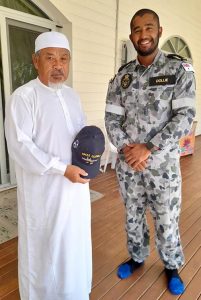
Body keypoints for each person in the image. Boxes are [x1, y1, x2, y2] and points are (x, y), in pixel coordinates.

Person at [105, 8, 196, 295]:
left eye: (148, 28)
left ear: (158, 30)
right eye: (137, 30)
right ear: (132, 36)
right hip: (129, 165)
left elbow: (184, 118)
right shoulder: (123, 77)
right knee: (132, 215)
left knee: (166, 219)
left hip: (162, 166)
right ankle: (137, 257)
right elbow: (111, 118)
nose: (142, 35)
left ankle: (171, 266)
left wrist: (148, 148)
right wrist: (127, 149)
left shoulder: (178, 70)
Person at [5, 31, 92, 300]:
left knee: (73, 243)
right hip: (44, 191)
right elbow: (21, 146)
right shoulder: (24, 97)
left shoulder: (72, 96)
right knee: (44, 246)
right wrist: (60, 168)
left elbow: (83, 137)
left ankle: (74, 292)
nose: (58, 65)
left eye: (64, 59)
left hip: (75, 187)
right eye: (50, 58)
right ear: (35, 61)